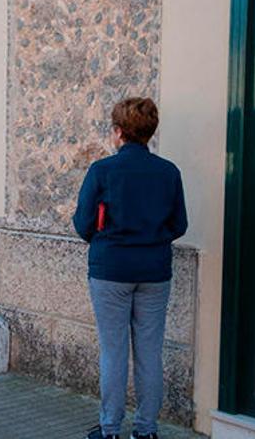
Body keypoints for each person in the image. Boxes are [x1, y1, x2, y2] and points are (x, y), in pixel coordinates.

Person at [73, 97, 187, 439]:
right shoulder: (168, 172)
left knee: (113, 351)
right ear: (149, 133)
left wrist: (108, 238)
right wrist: (152, 238)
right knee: (150, 353)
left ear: (118, 132)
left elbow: (83, 223)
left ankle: (109, 430)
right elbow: (179, 224)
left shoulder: (102, 171)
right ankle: (146, 430)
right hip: (154, 272)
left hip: (110, 270)